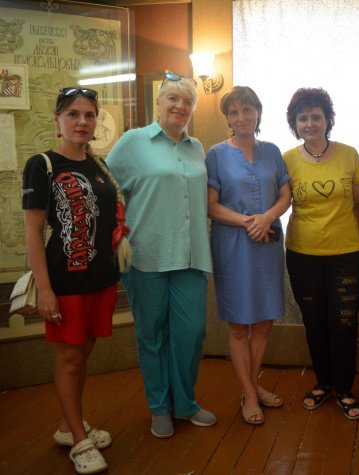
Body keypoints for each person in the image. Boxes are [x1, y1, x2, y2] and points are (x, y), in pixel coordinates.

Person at [22, 87, 131, 474]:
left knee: (82, 353)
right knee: (69, 359)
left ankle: (70, 427)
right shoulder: (42, 164)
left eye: (89, 115)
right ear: (57, 120)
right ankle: (79, 440)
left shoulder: (100, 165)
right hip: (65, 282)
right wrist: (45, 289)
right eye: (73, 114)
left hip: (101, 278)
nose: (82, 122)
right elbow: (33, 232)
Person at [106, 72, 215, 439]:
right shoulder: (133, 141)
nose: (180, 106)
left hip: (190, 256)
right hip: (145, 255)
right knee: (151, 336)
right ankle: (158, 407)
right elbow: (105, 188)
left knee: (191, 333)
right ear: (158, 103)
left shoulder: (197, 147)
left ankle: (184, 403)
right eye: (173, 99)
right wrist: (116, 232)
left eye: (187, 102)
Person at [206, 86, 291, 425]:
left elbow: (285, 195)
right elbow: (211, 206)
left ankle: (251, 386)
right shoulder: (215, 154)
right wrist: (249, 221)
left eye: (247, 110)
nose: (241, 117)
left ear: (258, 112)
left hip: (268, 244)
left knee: (265, 322)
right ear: (227, 118)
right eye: (234, 112)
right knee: (239, 325)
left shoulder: (272, 151)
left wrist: (266, 218)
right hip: (232, 246)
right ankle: (250, 393)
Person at [283, 87, 359, 420]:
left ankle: (345, 389)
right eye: (302, 118)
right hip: (302, 254)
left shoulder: (349, 154)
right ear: (294, 123)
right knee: (315, 323)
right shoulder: (287, 159)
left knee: (344, 323)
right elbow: (279, 201)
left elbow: (357, 206)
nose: (310, 123)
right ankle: (324, 383)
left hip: (346, 252)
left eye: (316, 116)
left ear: (327, 119)